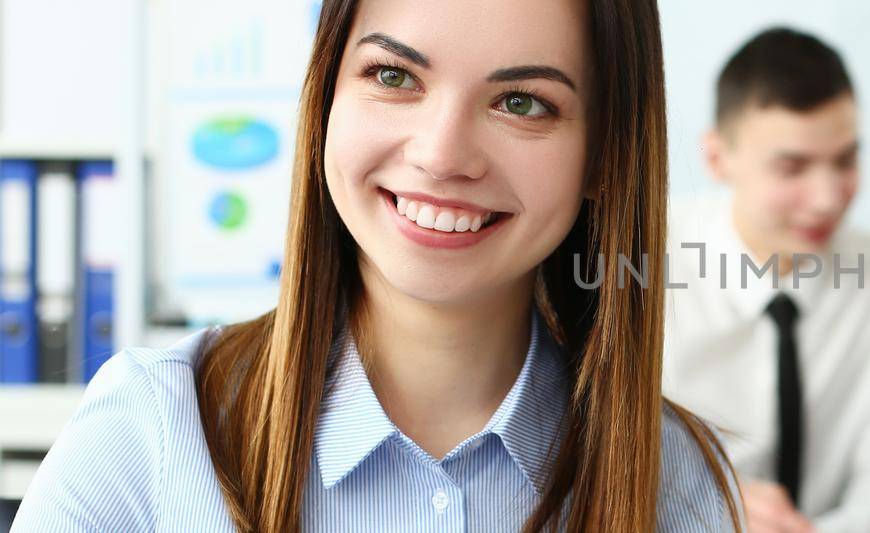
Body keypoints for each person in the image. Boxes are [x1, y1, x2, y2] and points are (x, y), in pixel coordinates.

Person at [14, 0, 743, 531]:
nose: (442, 153)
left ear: (606, 152)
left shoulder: (674, 483)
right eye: (394, 76)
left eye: (522, 101)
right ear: (327, 94)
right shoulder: (149, 432)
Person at [662, 27, 870, 533]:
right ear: (716, 159)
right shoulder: (641, 264)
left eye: (845, 160)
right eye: (792, 168)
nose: (827, 198)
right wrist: (705, 512)